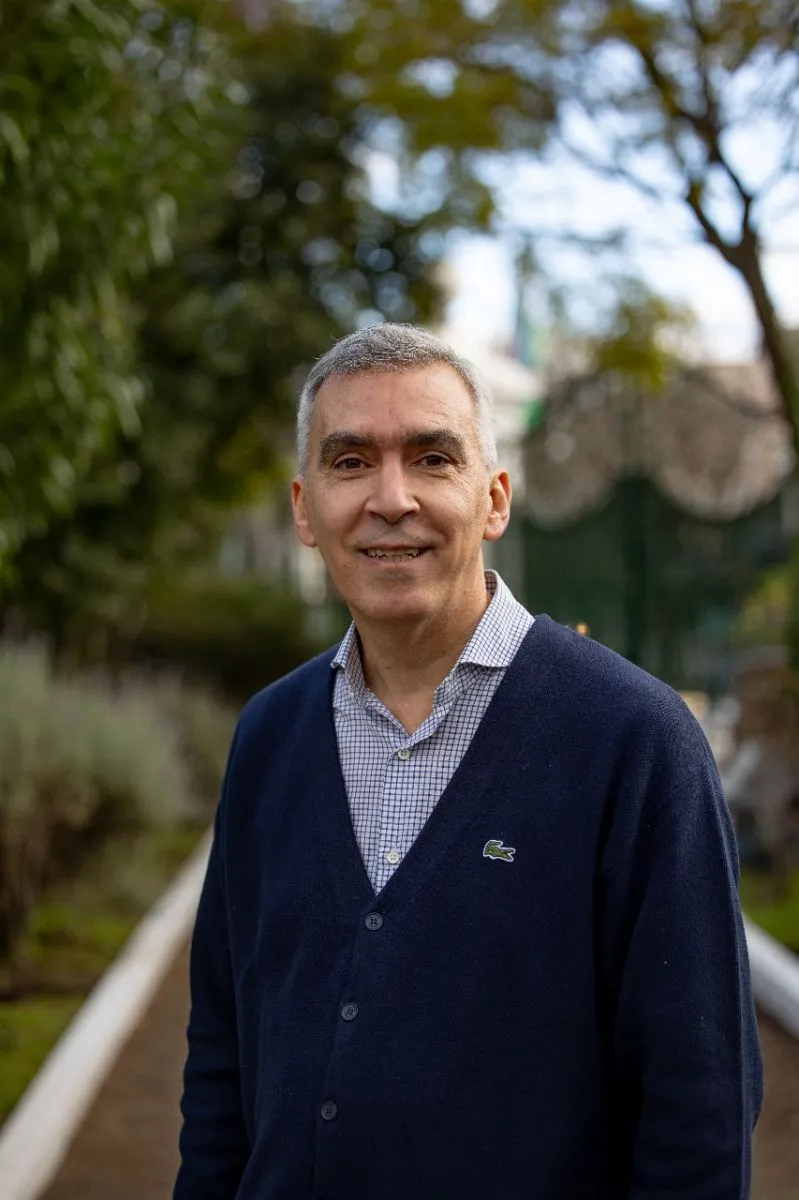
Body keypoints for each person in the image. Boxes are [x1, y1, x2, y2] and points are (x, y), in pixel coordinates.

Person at [174, 323, 762, 1200]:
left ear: (494, 499)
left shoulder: (633, 741)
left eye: (432, 458)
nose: (390, 498)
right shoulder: (268, 737)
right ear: (303, 508)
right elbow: (222, 1065)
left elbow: (698, 1112)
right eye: (350, 462)